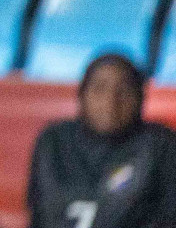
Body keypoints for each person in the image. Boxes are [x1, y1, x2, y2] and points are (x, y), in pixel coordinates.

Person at [27, 52, 176, 228]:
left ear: (140, 98)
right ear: (82, 94)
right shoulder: (53, 140)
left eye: (125, 90)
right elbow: (39, 214)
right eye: (99, 88)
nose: (111, 101)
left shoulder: (160, 145)